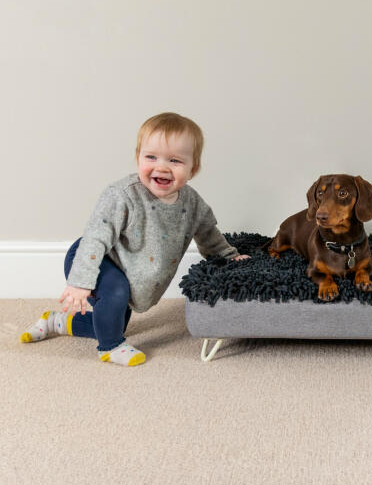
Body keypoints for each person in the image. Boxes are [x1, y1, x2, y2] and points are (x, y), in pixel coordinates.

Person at [20, 112, 249, 366]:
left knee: (112, 321)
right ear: (137, 157)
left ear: (192, 168)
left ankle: (56, 321)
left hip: (131, 268)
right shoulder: (123, 196)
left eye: (174, 160)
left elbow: (209, 235)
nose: (161, 167)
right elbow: (96, 237)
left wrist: (229, 257)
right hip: (96, 257)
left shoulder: (193, 204)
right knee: (115, 295)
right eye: (151, 157)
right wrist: (81, 281)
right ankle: (110, 348)